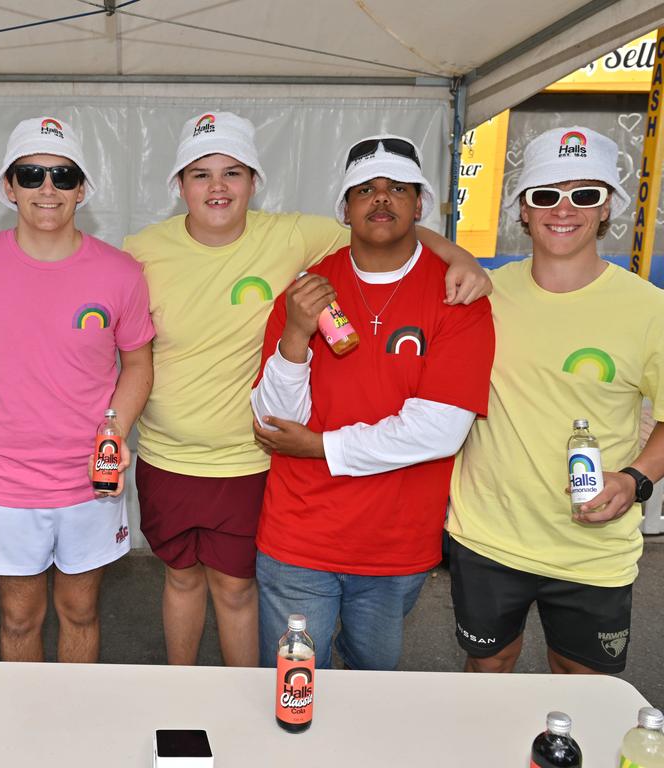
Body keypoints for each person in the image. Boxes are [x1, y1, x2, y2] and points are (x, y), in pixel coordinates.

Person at [122, 112, 492, 667]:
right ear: (179, 185)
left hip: (252, 464)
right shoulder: (142, 249)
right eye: (200, 175)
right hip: (176, 459)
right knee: (181, 581)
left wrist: (459, 255)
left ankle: (254, 712)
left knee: (245, 597)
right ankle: (193, 698)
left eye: (233, 173)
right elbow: (118, 342)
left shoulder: (296, 238)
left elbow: (387, 224)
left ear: (255, 183)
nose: (217, 187)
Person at [250, 135, 495, 670]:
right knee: (295, 691)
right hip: (298, 535)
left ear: (419, 204)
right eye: (365, 189)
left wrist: (320, 447)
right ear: (345, 208)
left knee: (372, 691)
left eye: (397, 188)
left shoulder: (459, 294)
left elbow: (438, 429)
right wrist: (295, 334)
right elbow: (274, 421)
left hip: (395, 543)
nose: (381, 199)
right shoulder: (307, 289)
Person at [0, 116, 155, 662]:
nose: (47, 189)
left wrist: (114, 431)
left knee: (81, 612)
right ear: (9, 187)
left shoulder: (120, 272)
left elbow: (139, 365)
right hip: (6, 479)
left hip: (90, 481)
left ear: (82, 189)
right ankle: (25, 735)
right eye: (31, 175)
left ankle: (74, 730)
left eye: (62, 175)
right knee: (17, 618)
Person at [447, 126, 664, 675]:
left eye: (584, 194)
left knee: (582, 691)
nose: (563, 209)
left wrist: (635, 479)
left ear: (607, 205)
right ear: (522, 209)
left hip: (592, 548)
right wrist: (457, 254)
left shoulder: (648, 309)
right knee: (487, 674)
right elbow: (401, 233)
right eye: (545, 194)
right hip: (490, 535)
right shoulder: (485, 293)